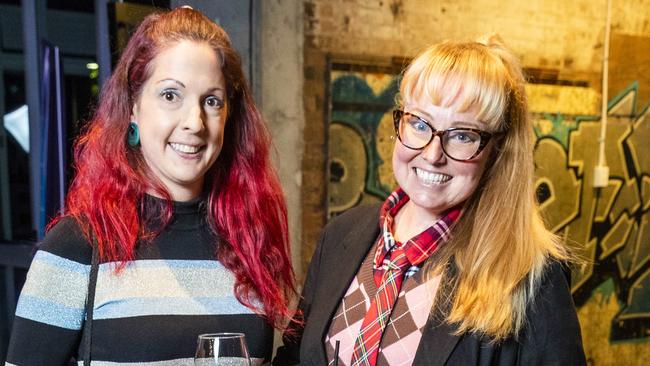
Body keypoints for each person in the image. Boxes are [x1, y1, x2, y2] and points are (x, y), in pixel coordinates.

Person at [6, 7, 295, 366]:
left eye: (211, 101)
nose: (194, 122)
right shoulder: (76, 246)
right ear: (133, 106)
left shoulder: (248, 242)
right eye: (171, 95)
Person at [274, 35, 586, 366]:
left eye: (463, 135)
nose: (432, 154)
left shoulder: (531, 276)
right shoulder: (339, 236)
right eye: (420, 124)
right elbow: (293, 357)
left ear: (497, 151)